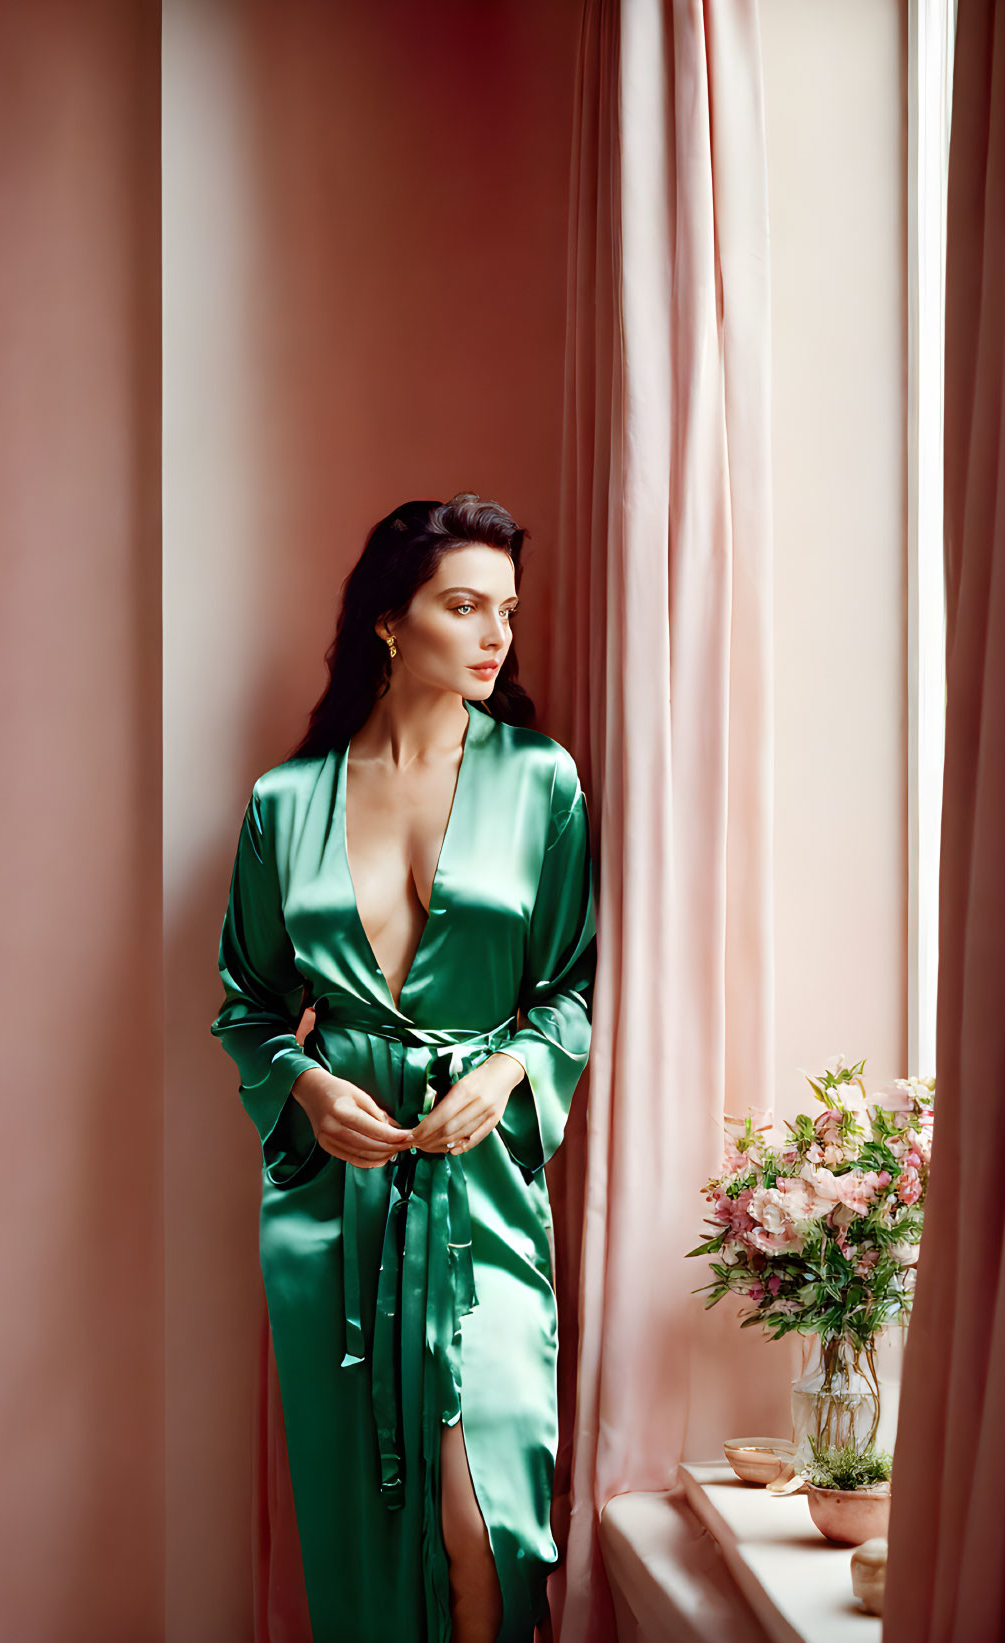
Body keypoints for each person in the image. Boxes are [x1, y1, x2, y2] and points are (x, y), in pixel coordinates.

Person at [211, 493, 598, 1643]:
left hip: (480, 1190)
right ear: (392, 619)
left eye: (507, 611)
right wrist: (312, 1089)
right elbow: (249, 1004)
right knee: (366, 1523)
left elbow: (569, 986)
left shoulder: (541, 781)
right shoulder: (288, 801)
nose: (496, 636)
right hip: (336, 1202)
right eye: (464, 606)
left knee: (490, 1521)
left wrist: (515, 1065)